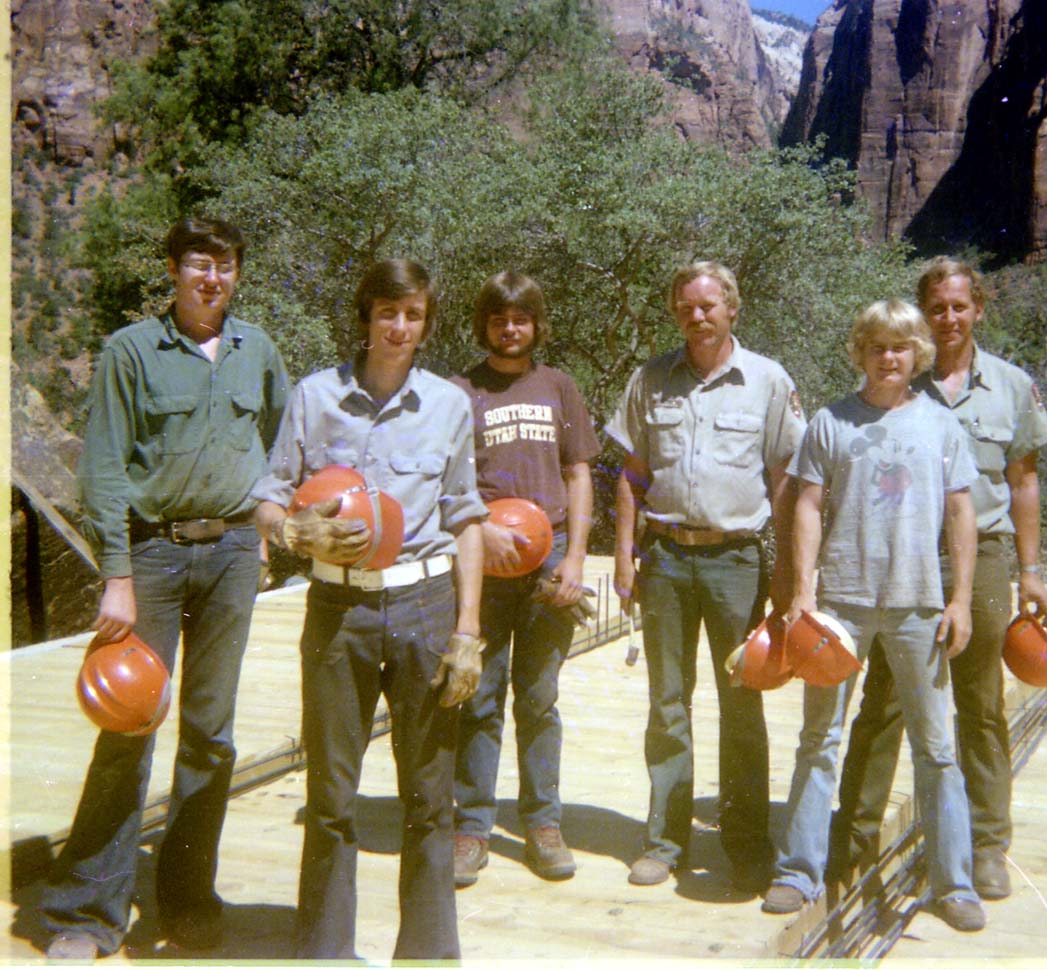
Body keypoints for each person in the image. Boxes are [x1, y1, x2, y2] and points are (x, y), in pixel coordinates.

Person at [41, 217, 291, 961]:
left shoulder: (258, 351)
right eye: (197, 265)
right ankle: (85, 911)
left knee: (211, 737)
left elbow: (281, 442)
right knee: (128, 726)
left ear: (237, 274)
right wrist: (114, 575)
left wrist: (272, 522)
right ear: (175, 273)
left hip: (235, 555)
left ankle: (185, 900)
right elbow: (104, 469)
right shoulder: (131, 351)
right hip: (151, 555)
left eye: (224, 266)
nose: (211, 278)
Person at [252, 259, 488, 960]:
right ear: (365, 316)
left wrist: (469, 630)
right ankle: (324, 951)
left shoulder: (448, 404)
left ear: (426, 323)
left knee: (429, 795)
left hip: (426, 606)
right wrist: (293, 531)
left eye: (413, 315)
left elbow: (468, 516)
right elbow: (268, 496)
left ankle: (427, 952)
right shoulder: (314, 396)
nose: (399, 327)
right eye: (387, 312)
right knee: (331, 796)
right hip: (337, 609)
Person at [828, 258, 1047, 901]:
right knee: (884, 701)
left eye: (960, 306)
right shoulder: (902, 381)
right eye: (937, 308)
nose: (949, 318)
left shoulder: (1011, 386)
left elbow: (1023, 481)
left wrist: (1031, 573)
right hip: (903, 553)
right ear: (923, 315)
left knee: (979, 702)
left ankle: (986, 844)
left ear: (978, 309)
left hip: (981, 555)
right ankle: (853, 841)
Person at [764, 299, 986, 932]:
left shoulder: (941, 426)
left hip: (919, 605)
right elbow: (807, 504)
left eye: (901, 347)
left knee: (937, 748)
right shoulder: (832, 422)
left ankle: (955, 881)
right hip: (841, 603)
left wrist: (962, 599)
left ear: (916, 354)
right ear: (859, 351)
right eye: (877, 347)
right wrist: (803, 590)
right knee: (819, 740)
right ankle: (798, 871)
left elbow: (961, 511)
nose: (890, 358)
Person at [607, 260, 805, 892]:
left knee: (741, 702)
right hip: (664, 559)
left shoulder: (768, 381)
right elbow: (632, 474)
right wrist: (621, 555)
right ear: (675, 313)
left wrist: (786, 572)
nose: (697, 316)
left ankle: (746, 841)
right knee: (667, 703)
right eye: (686, 307)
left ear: (732, 309)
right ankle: (665, 840)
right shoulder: (651, 380)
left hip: (736, 562)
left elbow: (787, 480)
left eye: (708, 306)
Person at [450, 272, 601, 886]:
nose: (509, 329)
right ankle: (471, 828)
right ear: (484, 325)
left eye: (520, 319)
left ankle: (543, 822)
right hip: (482, 562)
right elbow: (448, 479)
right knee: (479, 697)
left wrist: (575, 560)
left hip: (548, 559)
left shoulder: (559, 387)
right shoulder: (460, 390)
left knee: (539, 698)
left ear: (536, 325)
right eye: (497, 319)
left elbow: (580, 473)